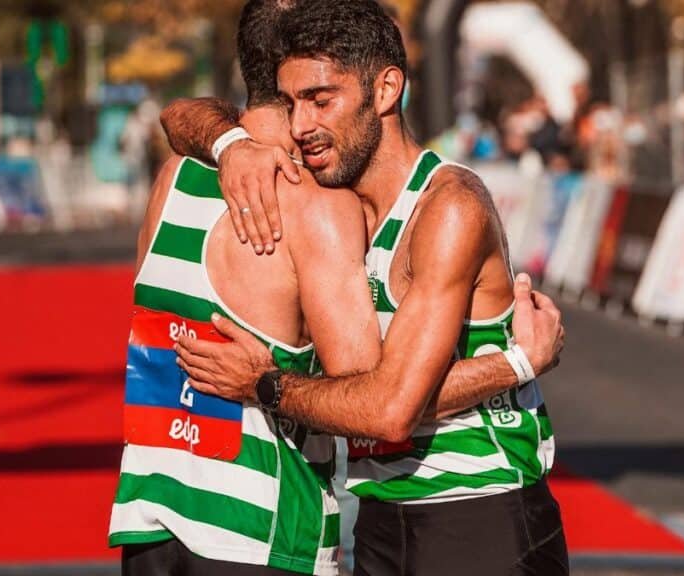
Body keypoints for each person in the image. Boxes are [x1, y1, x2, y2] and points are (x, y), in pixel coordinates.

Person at [111, 1, 566, 575]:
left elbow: (390, 408)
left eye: (321, 101)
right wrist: (231, 144)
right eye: (293, 102)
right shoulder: (332, 202)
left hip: (478, 515)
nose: (301, 126)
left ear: (385, 91)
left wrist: (265, 383)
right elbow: (181, 114)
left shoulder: (447, 206)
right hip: (381, 519)